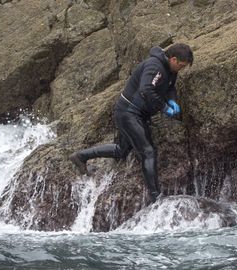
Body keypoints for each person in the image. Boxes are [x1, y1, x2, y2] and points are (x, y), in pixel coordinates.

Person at [70, 43, 193, 202]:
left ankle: (80, 156)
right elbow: (146, 89)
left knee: (122, 151)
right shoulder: (154, 66)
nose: (181, 69)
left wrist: (172, 101)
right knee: (148, 152)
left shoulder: (170, 70)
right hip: (128, 113)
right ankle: (156, 197)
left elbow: (170, 87)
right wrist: (163, 107)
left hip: (138, 114)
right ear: (174, 59)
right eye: (181, 66)